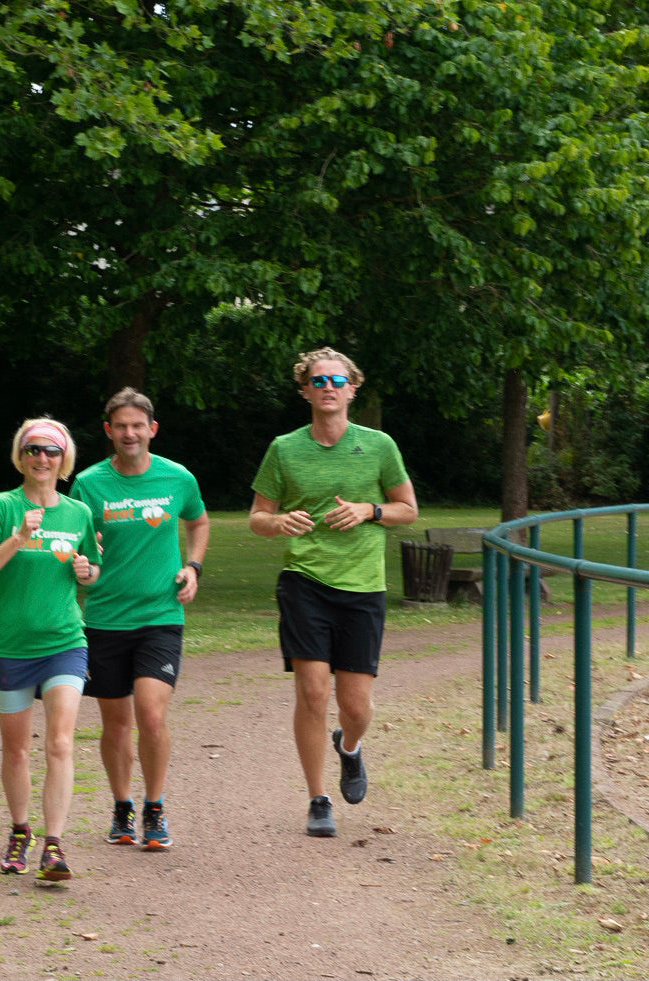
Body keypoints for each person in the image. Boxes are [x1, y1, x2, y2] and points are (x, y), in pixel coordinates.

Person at [248, 348, 418, 838]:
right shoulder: (284, 448)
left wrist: (369, 510)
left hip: (363, 587)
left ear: (352, 388)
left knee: (357, 706)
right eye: (317, 380)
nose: (328, 387)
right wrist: (278, 522)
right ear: (305, 390)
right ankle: (318, 799)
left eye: (336, 380)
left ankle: (349, 746)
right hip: (305, 582)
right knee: (313, 691)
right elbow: (258, 517)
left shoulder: (380, 445)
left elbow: (407, 509)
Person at [71, 388, 209, 850]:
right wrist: (85, 559)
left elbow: (199, 521)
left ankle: (154, 806)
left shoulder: (177, 478)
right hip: (105, 617)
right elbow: (77, 540)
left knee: (150, 713)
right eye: (120, 426)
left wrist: (193, 566)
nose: (129, 433)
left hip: (160, 615)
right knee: (116, 722)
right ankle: (121, 805)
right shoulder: (89, 483)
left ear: (152, 429)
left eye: (138, 425)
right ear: (109, 432)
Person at [0, 418, 101, 883]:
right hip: (12, 647)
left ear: (64, 460)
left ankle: (55, 846)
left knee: (61, 743)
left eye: (51, 451)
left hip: (65, 642)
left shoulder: (78, 513)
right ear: (20, 457)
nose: (42, 458)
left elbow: (91, 570)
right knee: (17, 750)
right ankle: (20, 831)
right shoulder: (2, 507)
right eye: (33, 450)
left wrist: (86, 573)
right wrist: (18, 538)